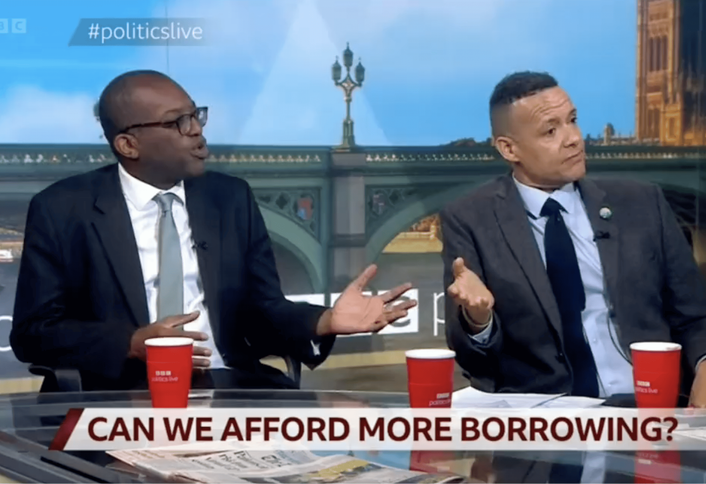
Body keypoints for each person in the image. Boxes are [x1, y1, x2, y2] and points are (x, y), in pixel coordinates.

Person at [11, 70, 416, 391]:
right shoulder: (62, 208)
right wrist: (132, 344)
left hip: (227, 383)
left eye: (196, 116)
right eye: (178, 122)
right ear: (128, 145)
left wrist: (325, 321)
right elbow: (34, 333)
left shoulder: (229, 198)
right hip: (119, 391)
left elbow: (263, 312)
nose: (197, 131)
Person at [441, 71, 706, 408]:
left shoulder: (642, 204)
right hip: (547, 419)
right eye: (551, 131)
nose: (574, 138)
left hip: (652, 407)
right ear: (509, 148)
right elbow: (474, 360)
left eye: (572, 120)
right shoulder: (471, 219)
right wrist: (479, 320)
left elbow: (697, 319)